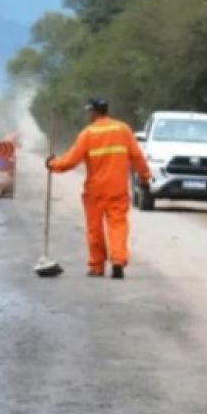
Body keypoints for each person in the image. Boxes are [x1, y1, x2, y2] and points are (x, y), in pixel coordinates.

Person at [46, 98, 151, 279]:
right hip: (117, 190)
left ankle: (97, 266)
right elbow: (137, 157)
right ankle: (118, 262)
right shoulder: (123, 130)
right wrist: (145, 178)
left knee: (94, 229)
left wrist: (52, 164)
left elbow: (70, 161)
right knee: (117, 225)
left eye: (89, 112)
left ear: (94, 112)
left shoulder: (88, 134)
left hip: (95, 191)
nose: (88, 115)